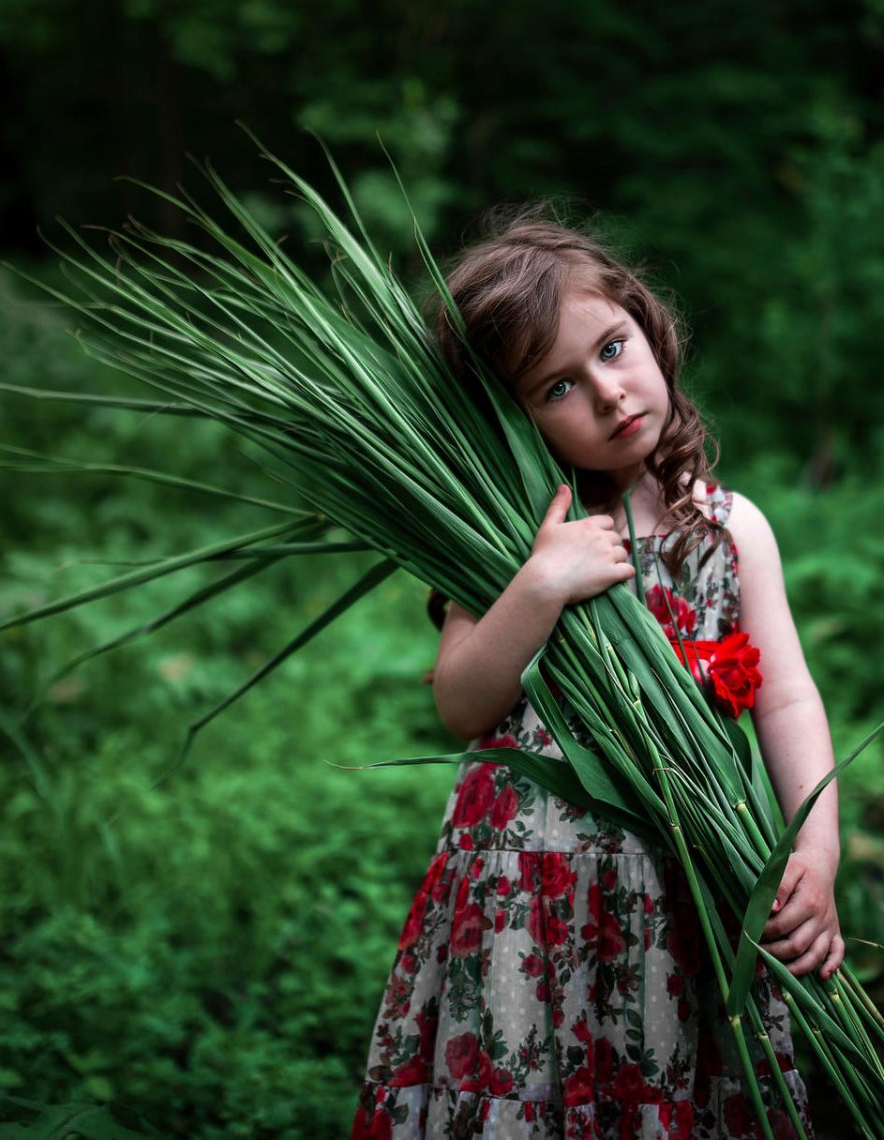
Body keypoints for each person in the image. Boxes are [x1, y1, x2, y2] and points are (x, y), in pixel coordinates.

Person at [349, 209, 844, 1140]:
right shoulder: (503, 536)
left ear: (648, 326)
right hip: (523, 900)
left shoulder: (729, 529)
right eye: (559, 387)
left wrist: (816, 855)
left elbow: (784, 694)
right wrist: (540, 583)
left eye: (614, 349)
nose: (610, 393)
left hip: (684, 891)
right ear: (512, 419)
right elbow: (461, 702)